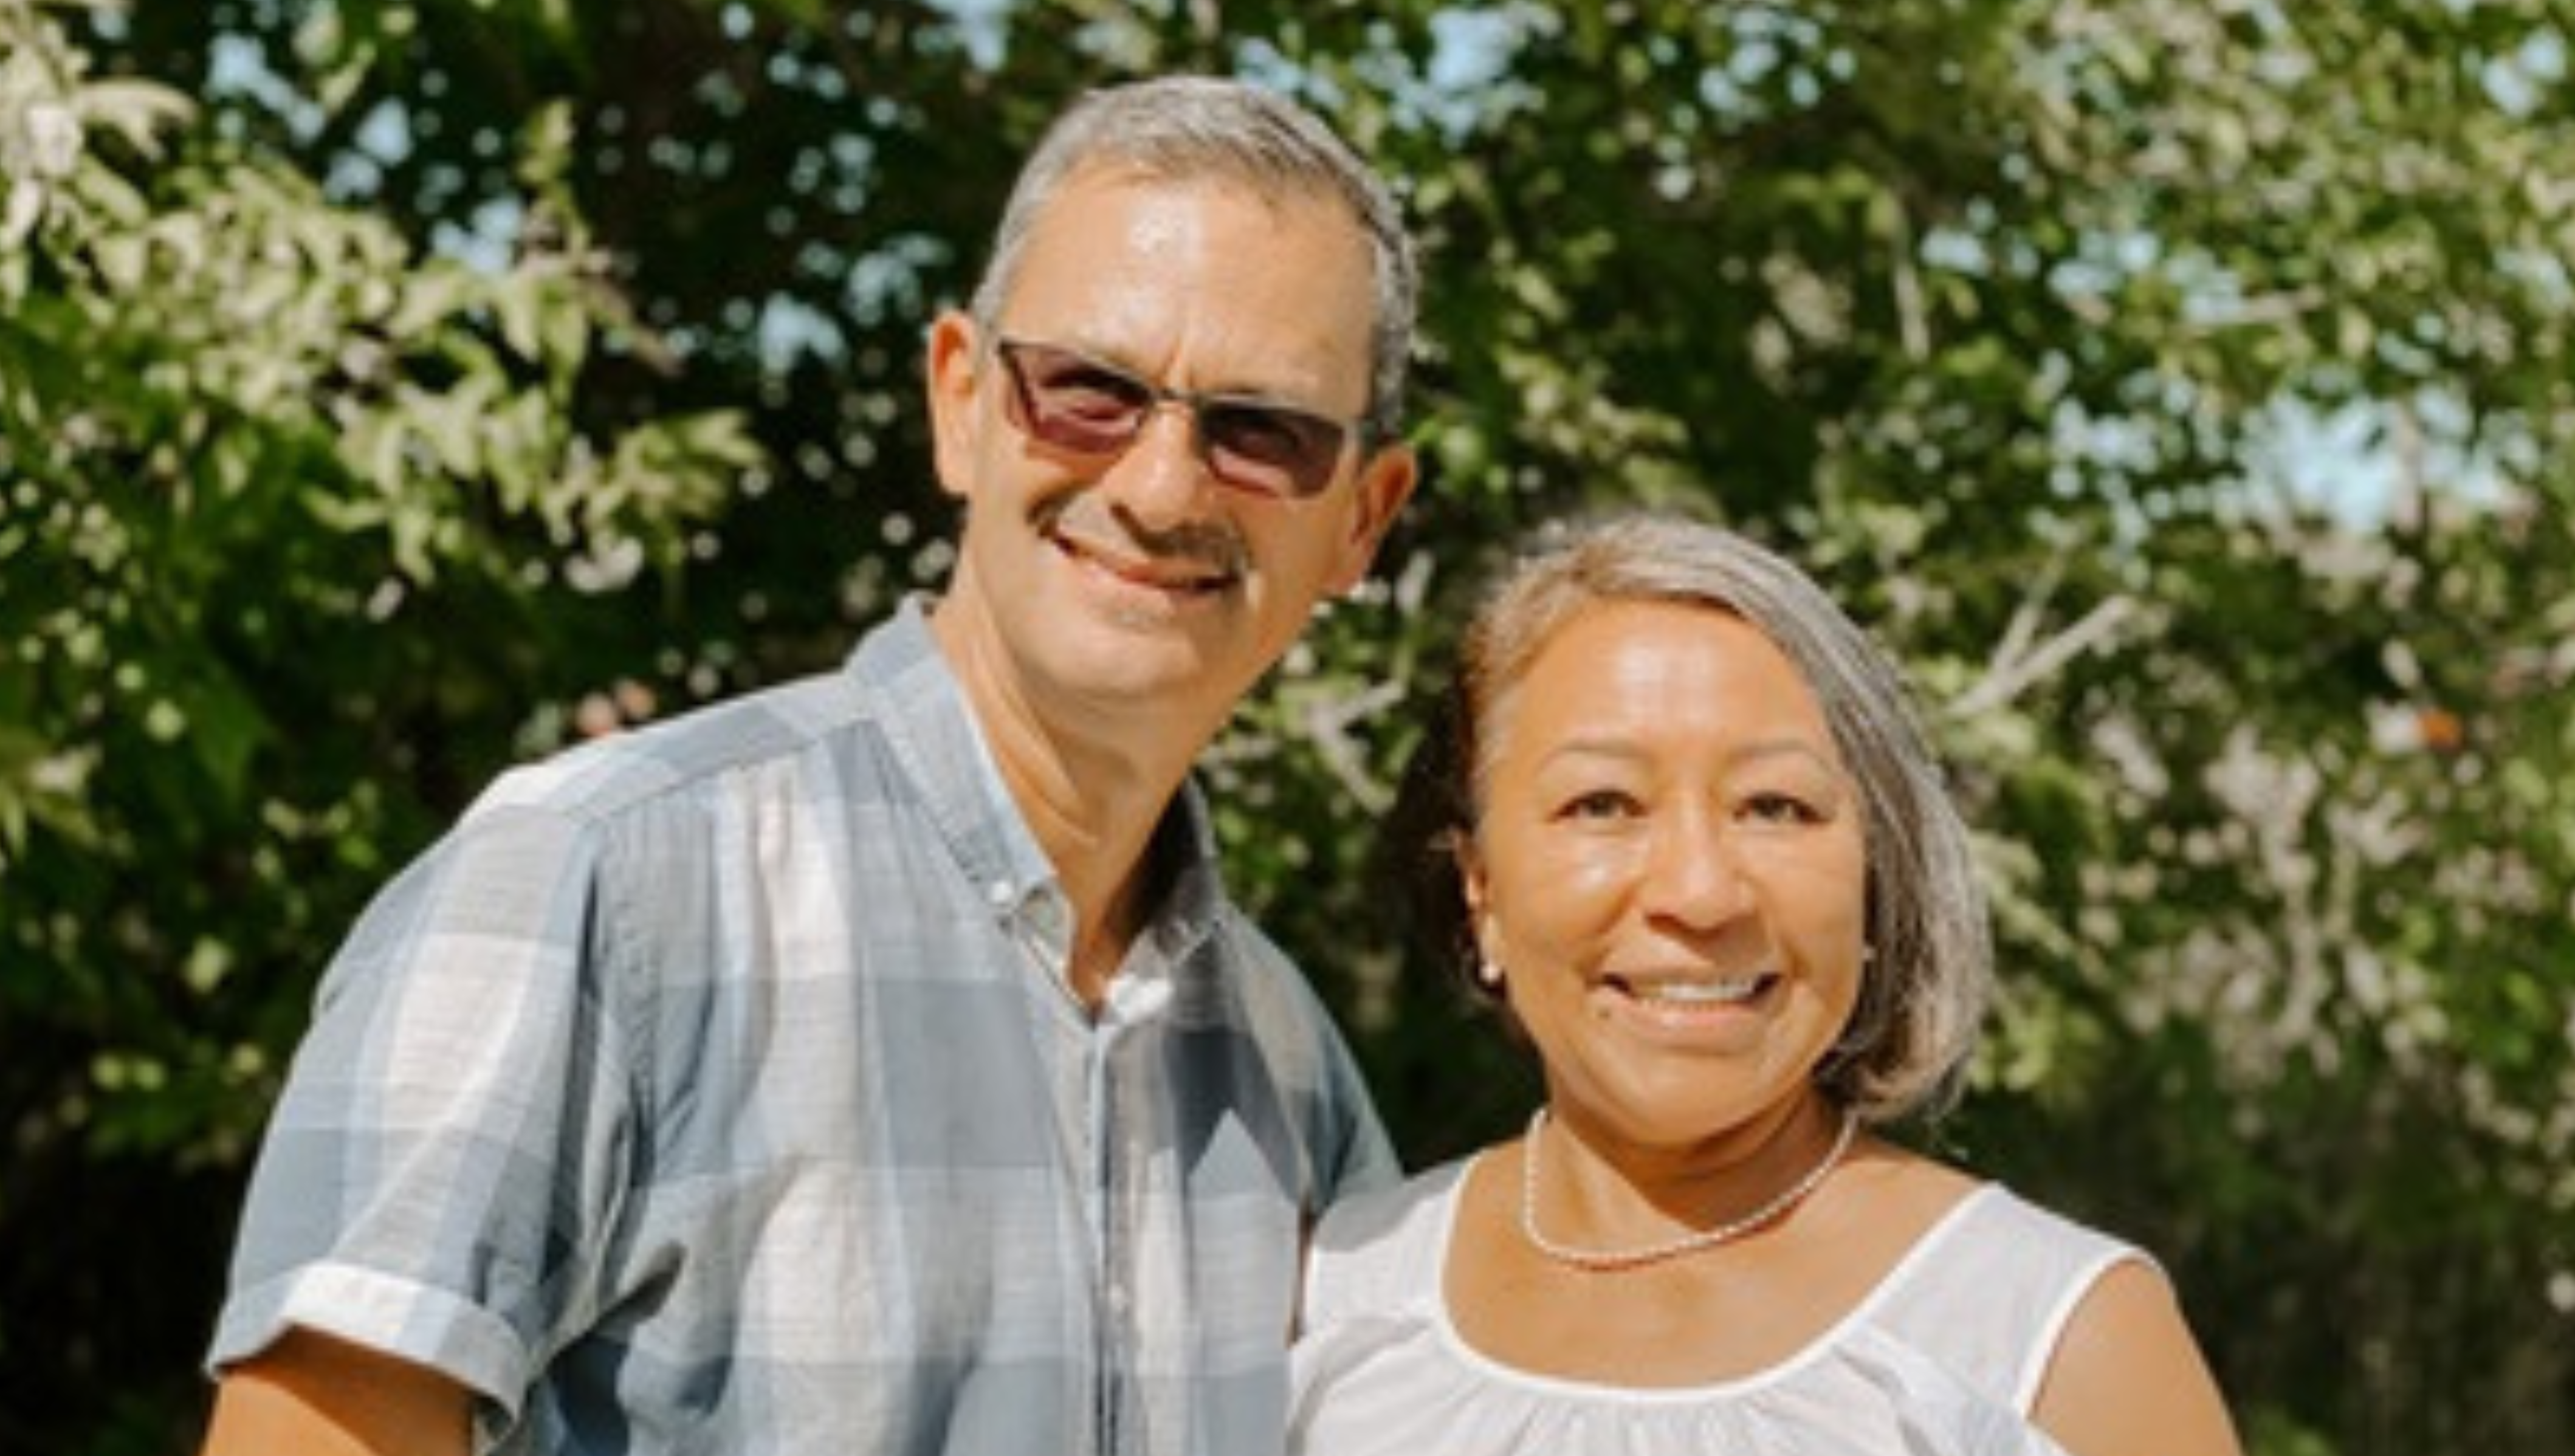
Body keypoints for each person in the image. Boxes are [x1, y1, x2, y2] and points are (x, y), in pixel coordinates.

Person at [201, 75, 1422, 1456]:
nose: (1158, 486)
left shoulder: (1289, 1070)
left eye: (1262, 432)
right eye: (1088, 391)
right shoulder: (595, 882)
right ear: (961, 401)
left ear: (1363, 523)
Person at [1288, 515, 2241, 1456]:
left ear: (1875, 877)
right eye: (1603, 805)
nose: (1699, 892)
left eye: (1774, 808)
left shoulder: (2050, 1342)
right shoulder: (1326, 1297)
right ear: (1481, 891)